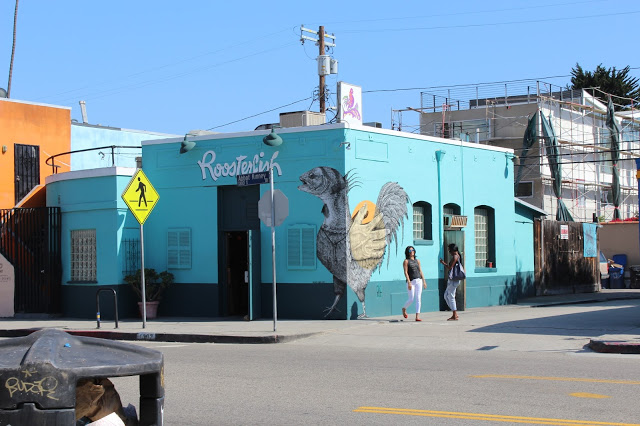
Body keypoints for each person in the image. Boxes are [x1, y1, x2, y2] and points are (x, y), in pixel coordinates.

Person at [402, 246, 427, 321]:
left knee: (418, 298)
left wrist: (424, 281)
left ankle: (417, 316)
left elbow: (420, 271)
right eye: (410, 250)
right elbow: (406, 272)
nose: (412, 251)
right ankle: (404, 308)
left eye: (413, 250)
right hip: (411, 281)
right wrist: (409, 282)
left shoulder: (417, 261)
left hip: (419, 280)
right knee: (411, 298)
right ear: (408, 252)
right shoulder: (406, 261)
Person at [440, 244, 463, 321]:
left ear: (453, 250)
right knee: (446, 295)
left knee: (450, 296)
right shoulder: (458, 256)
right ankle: (454, 312)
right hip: (452, 279)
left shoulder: (455, 257)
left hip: (454, 280)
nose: (449, 252)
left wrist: (443, 263)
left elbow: (450, 267)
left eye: (449, 250)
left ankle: (454, 314)